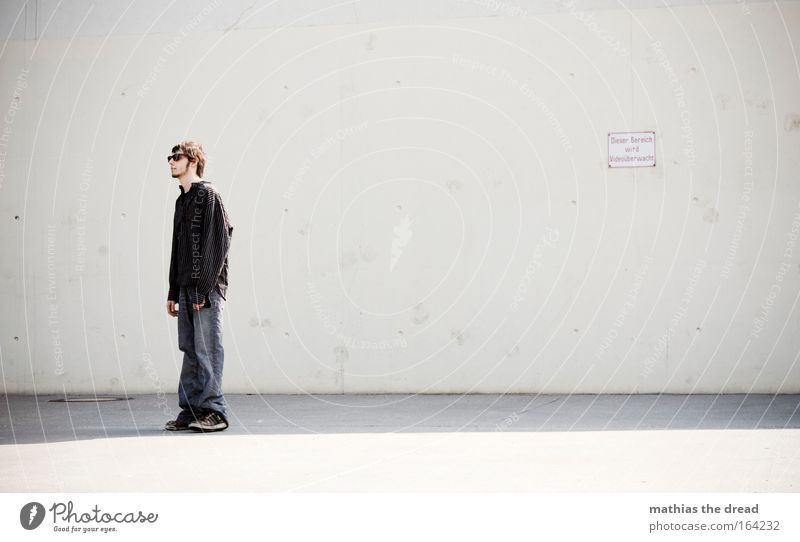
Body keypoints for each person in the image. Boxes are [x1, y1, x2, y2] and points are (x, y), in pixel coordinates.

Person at [163, 141, 233, 432]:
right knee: (190, 348)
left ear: (193, 161)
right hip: (184, 287)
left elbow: (219, 244)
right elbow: (177, 247)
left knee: (207, 350)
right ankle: (192, 409)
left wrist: (203, 289)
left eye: (176, 157)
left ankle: (214, 411)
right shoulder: (182, 199)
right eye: (170, 157)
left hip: (204, 289)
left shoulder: (209, 195)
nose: (170, 161)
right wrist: (172, 290)